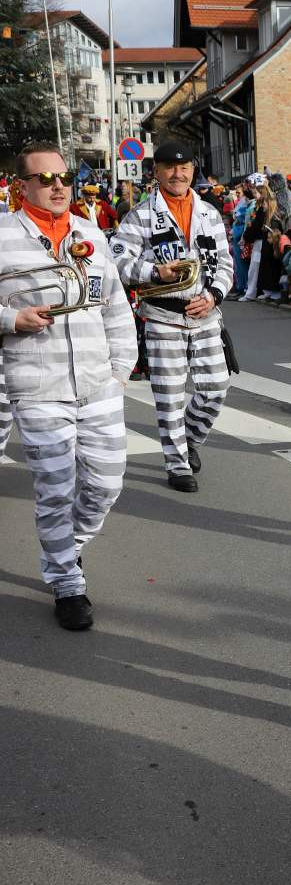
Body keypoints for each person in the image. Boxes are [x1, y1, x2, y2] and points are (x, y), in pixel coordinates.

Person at [0, 140, 136, 629]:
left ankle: (67, 548)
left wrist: (120, 370)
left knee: (105, 484)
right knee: (55, 491)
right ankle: (66, 583)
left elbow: (115, 305)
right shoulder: (2, 235)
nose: (58, 187)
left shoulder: (90, 234)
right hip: (38, 387)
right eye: (45, 179)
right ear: (22, 186)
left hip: (99, 384)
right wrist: (12, 319)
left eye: (64, 179)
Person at [113, 139, 233, 493]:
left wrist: (214, 296)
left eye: (184, 167)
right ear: (157, 172)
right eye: (169, 167)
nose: (177, 173)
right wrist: (153, 272)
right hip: (163, 316)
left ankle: (189, 438)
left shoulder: (210, 212)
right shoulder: (141, 214)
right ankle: (177, 463)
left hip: (206, 314)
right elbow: (116, 259)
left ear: (193, 170)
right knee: (168, 395)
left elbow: (225, 263)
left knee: (216, 389)